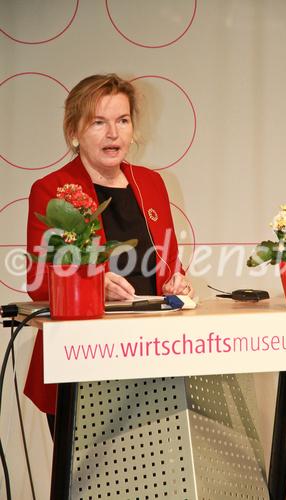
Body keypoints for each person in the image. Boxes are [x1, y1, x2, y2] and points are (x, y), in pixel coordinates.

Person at [24, 73, 194, 428]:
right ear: (74, 132)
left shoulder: (151, 182)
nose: (113, 133)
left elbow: (165, 263)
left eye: (122, 120)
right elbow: (39, 282)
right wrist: (94, 284)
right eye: (98, 122)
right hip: (82, 365)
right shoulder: (51, 189)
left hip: (150, 359)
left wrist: (174, 284)